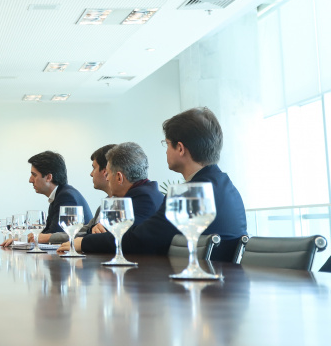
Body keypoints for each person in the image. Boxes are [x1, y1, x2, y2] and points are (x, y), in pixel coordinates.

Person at [74, 107, 247, 260]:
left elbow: (142, 239)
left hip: (201, 289)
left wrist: (82, 243)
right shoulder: (227, 187)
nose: (165, 150)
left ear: (180, 148)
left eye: (167, 144)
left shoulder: (191, 194)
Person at [57, 142, 163, 253]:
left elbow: (127, 238)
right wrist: (95, 229)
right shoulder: (142, 193)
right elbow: (109, 232)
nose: (107, 179)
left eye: (107, 174)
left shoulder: (144, 198)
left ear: (119, 177)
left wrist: (83, 243)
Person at [26, 151, 92, 237]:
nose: (30, 180)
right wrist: (21, 240)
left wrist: (28, 239)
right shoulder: (59, 194)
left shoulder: (66, 197)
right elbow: (47, 231)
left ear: (49, 177)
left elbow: (53, 235)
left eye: (34, 175)